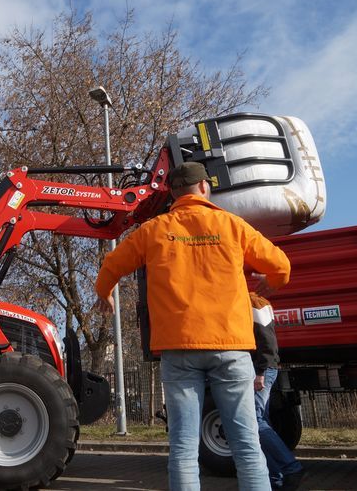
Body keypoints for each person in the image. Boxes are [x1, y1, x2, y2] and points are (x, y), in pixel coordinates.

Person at [94, 162, 291, 491]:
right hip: (231, 345)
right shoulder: (230, 225)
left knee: (184, 448)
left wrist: (105, 294)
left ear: (172, 193)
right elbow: (281, 265)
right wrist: (273, 282)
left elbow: (112, 264)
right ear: (204, 188)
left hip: (179, 348)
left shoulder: (155, 230)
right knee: (246, 445)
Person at [250, 292, 304, 490]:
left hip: (261, 369)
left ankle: (291, 468)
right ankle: (276, 478)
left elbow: (268, 340)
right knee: (261, 421)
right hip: (258, 368)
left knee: (255, 421)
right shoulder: (250, 302)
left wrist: (261, 371)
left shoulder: (254, 303)